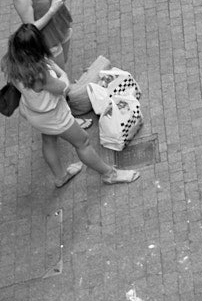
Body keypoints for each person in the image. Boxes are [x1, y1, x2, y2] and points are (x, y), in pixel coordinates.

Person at [6, 25, 138, 189]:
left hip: (32, 112)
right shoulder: (39, 73)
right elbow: (63, 88)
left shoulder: (10, 63)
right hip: (54, 115)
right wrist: (61, 72)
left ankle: (60, 177)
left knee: (48, 140)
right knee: (82, 142)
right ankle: (109, 174)